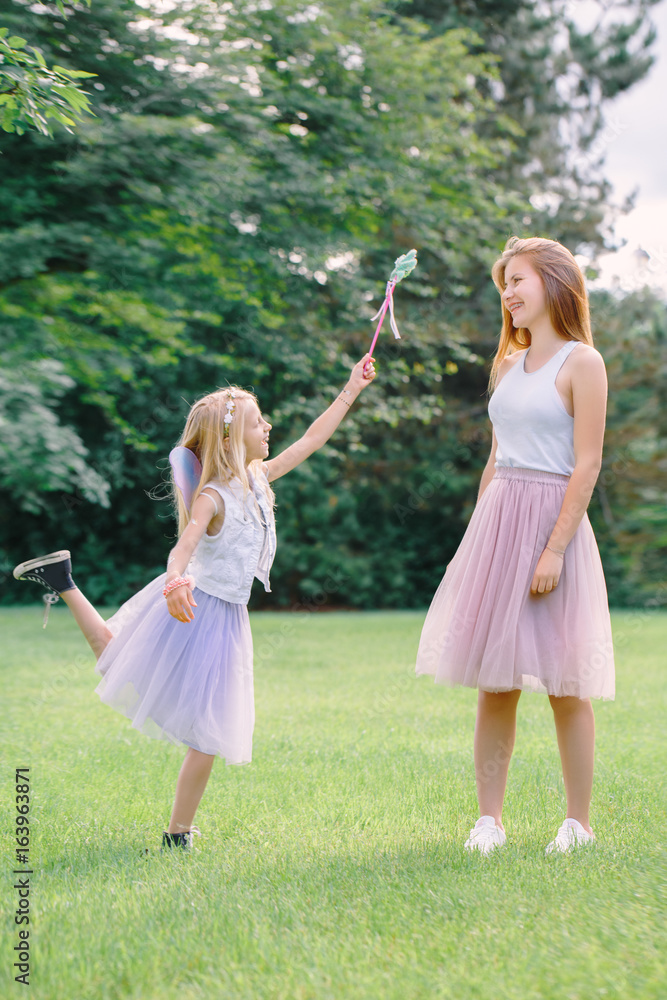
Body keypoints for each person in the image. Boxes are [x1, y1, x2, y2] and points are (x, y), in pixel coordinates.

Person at [13, 354, 376, 850]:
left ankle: (62, 579)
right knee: (203, 728)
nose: (267, 426)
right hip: (193, 605)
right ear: (229, 438)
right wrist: (174, 583)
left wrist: (351, 389)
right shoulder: (213, 497)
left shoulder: (260, 480)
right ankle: (177, 834)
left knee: (122, 660)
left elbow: (313, 439)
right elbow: (180, 551)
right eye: (256, 421)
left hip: (227, 615)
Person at [416, 236, 614, 855]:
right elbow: (497, 459)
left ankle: (577, 823)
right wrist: (480, 535)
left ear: (554, 282)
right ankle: (489, 821)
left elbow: (586, 465)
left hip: (553, 525)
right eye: (504, 283)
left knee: (565, 682)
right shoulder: (507, 365)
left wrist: (553, 548)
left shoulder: (583, 363)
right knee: (495, 681)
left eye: (518, 279)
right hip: (500, 525)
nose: (508, 293)